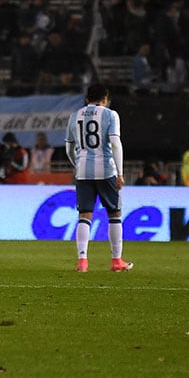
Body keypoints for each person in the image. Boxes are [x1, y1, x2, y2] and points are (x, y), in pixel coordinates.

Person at [65, 83, 133, 273]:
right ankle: (116, 260)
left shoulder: (74, 116)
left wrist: (76, 163)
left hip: (83, 171)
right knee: (114, 214)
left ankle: (82, 262)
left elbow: (69, 148)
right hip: (106, 170)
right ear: (105, 99)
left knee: (84, 215)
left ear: (87, 99)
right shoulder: (110, 114)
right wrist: (120, 172)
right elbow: (115, 143)